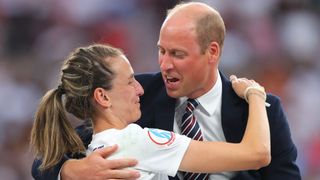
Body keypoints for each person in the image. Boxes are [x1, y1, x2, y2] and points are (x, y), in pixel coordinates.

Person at [32, 2, 301, 180]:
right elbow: (48, 159)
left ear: (212, 52)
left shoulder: (265, 114)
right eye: (161, 51)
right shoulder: (138, 110)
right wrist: (70, 170)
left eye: (177, 54)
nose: (164, 64)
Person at [31, 44, 270, 180]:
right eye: (130, 81)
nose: (140, 89)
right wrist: (255, 95)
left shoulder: (93, 156)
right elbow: (257, 153)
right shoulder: (135, 142)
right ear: (102, 96)